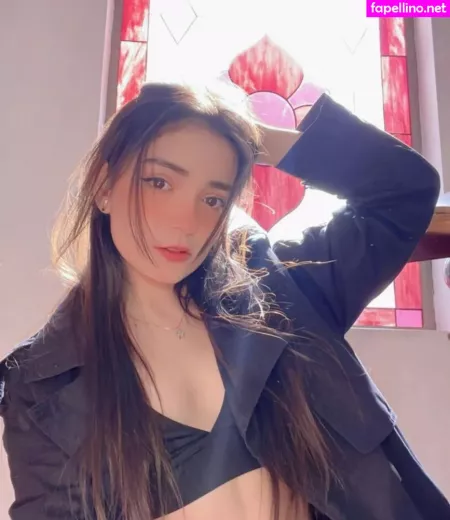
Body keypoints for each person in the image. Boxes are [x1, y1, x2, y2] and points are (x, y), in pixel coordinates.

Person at [0, 82, 449, 520]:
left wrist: (255, 137)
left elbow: (404, 191)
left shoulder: (284, 292)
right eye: (159, 182)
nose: (187, 221)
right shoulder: (41, 383)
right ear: (103, 186)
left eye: (213, 198)